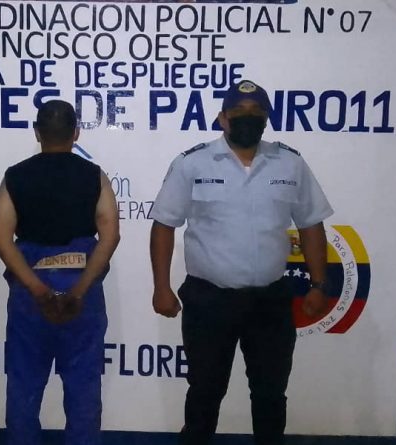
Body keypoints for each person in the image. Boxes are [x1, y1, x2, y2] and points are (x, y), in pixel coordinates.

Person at [149, 80, 333, 445]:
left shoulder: (290, 163)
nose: (248, 118)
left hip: (270, 302)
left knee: (270, 394)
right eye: (238, 112)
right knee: (204, 391)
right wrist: (161, 287)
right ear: (222, 118)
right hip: (209, 301)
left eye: (256, 113)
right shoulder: (192, 163)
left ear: (266, 119)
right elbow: (164, 225)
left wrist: (319, 283)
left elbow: (311, 224)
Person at [0, 100, 120, 445]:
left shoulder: (15, 176)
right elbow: (110, 236)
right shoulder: (94, 175)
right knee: (83, 386)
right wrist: (78, 291)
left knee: (24, 385)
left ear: (37, 132)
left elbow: (0, 238)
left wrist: (39, 290)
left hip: (30, 289)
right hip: (82, 285)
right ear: (76, 133)